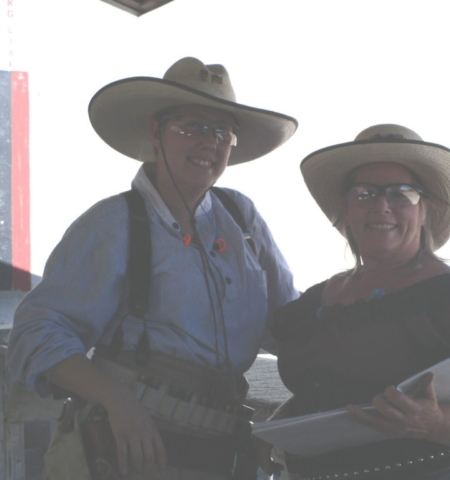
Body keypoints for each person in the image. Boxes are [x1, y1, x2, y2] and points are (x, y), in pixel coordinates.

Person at [7, 57, 299, 480]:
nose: (209, 142)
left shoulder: (242, 217)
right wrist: (116, 400)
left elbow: (290, 324)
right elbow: (35, 333)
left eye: (222, 131)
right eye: (192, 126)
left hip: (220, 454)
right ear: (156, 133)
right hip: (123, 455)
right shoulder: (112, 223)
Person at [259, 124, 450, 480]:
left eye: (401, 194)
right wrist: (278, 427)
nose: (381, 206)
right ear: (346, 208)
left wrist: (435, 422)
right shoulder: (313, 304)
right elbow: (326, 387)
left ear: (426, 208)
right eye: (365, 193)